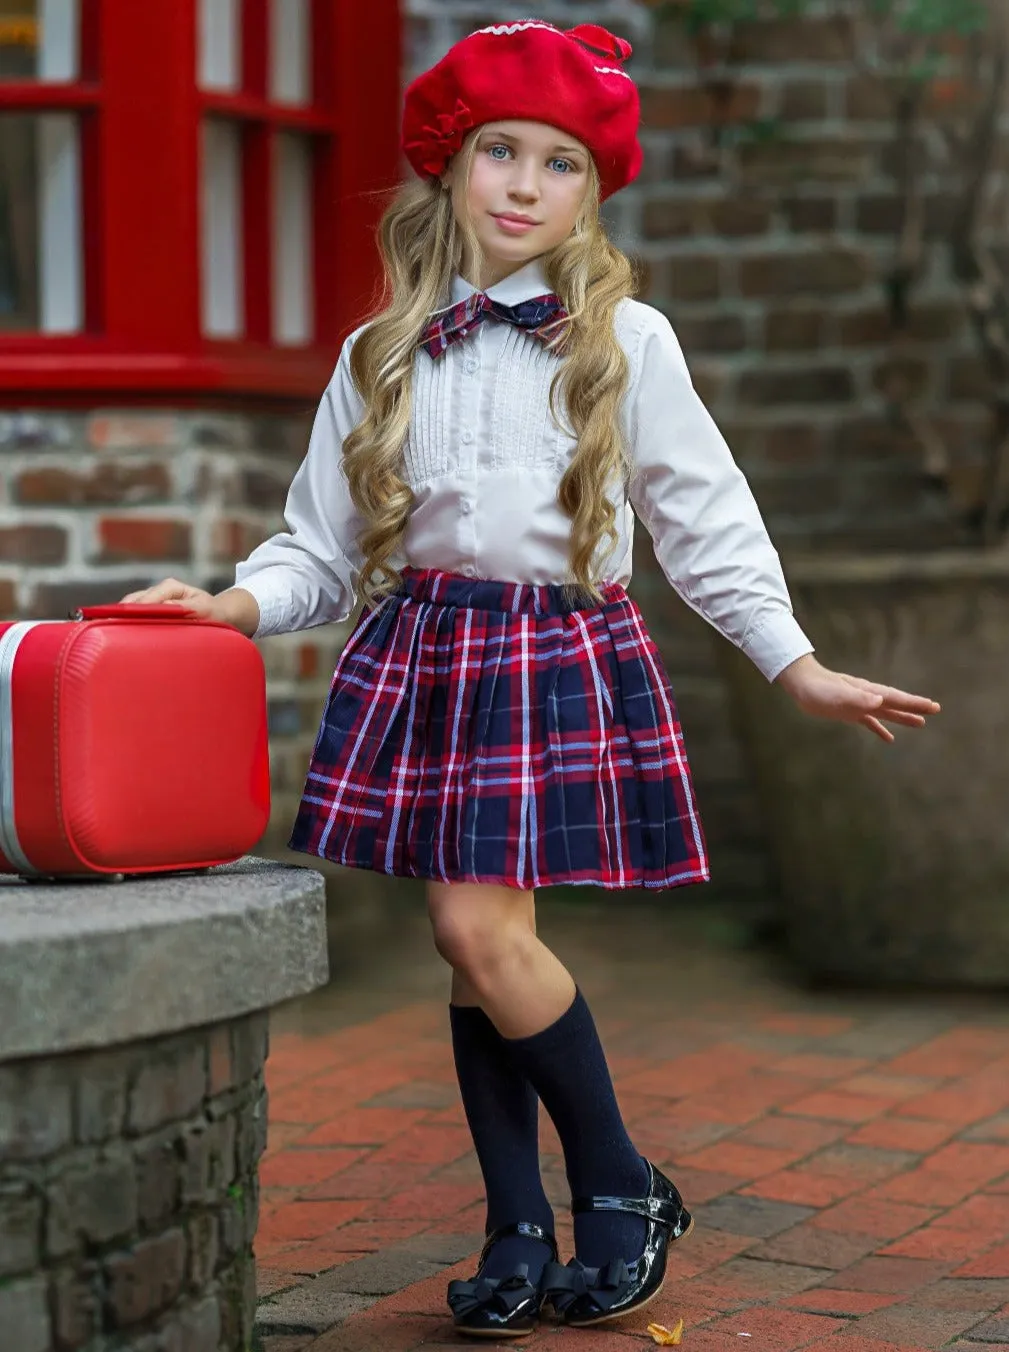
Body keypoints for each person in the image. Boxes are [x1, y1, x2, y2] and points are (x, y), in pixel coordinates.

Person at [122, 19, 940, 1339]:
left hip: (555, 657)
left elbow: (707, 525)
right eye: (498, 150)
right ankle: (517, 1222)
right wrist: (227, 604)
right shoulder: (382, 355)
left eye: (558, 163)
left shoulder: (632, 345)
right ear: (448, 167)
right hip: (431, 659)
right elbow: (320, 549)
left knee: (474, 934)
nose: (521, 182)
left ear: (590, 194)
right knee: (476, 954)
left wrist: (796, 665)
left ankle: (618, 1184)